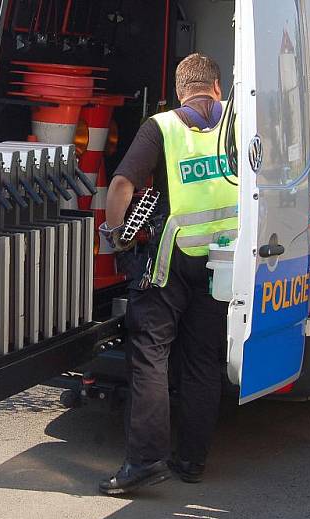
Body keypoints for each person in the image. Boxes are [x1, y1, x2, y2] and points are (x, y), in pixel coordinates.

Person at [98, 53, 237, 495]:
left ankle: (144, 461)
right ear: (216, 87)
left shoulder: (162, 126)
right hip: (222, 263)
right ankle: (192, 461)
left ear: (181, 91)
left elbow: (122, 185)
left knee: (151, 356)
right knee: (202, 362)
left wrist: (116, 234)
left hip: (169, 262)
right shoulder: (238, 124)